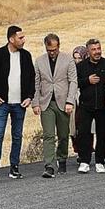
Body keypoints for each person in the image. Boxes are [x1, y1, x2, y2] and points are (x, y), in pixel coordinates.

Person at [0, 25, 34, 180]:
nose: (23, 40)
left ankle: (14, 167)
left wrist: (29, 96)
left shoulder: (26, 56)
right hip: (2, 103)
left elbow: (32, 78)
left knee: (17, 135)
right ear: (11, 39)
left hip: (20, 104)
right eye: (20, 38)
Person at [33, 33, 77, 178]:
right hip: (46, 103)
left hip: (63, 102)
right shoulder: (39, 61)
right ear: (45, 47)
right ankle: (49, 165)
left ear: (59, 46)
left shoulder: (68, 60)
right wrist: (35, 103)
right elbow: (36, 83)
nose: (52, 52)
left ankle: (62, 158)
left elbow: (73, 82)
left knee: (63, 135)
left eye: (54, 50)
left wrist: (70, 101)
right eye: (49, 50)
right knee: (48, 135)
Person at [71, 39, 105, 174]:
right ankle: (84, 161)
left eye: (98, 48)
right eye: (94, 49)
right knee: (83, 134)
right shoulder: (81, 66)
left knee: (102, 134)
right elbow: (75, 83)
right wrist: (87, 80)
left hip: (102, 106)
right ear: (88, 51)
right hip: (86, 105)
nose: (97, 52)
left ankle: (100, 160)